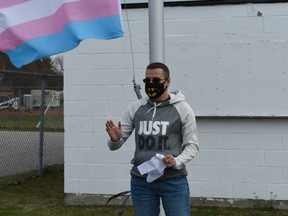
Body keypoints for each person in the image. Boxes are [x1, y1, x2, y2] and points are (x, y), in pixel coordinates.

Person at [105, 62, 199, 216]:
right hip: (141, 182)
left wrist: (177, 161)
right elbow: (114, 146)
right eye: (147, 81)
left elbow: (192, 146)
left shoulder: (183, 108)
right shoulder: (135, 108)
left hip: (173, 181)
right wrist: (115, 140)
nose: (151, 84)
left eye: (156, 80)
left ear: (167, 82)